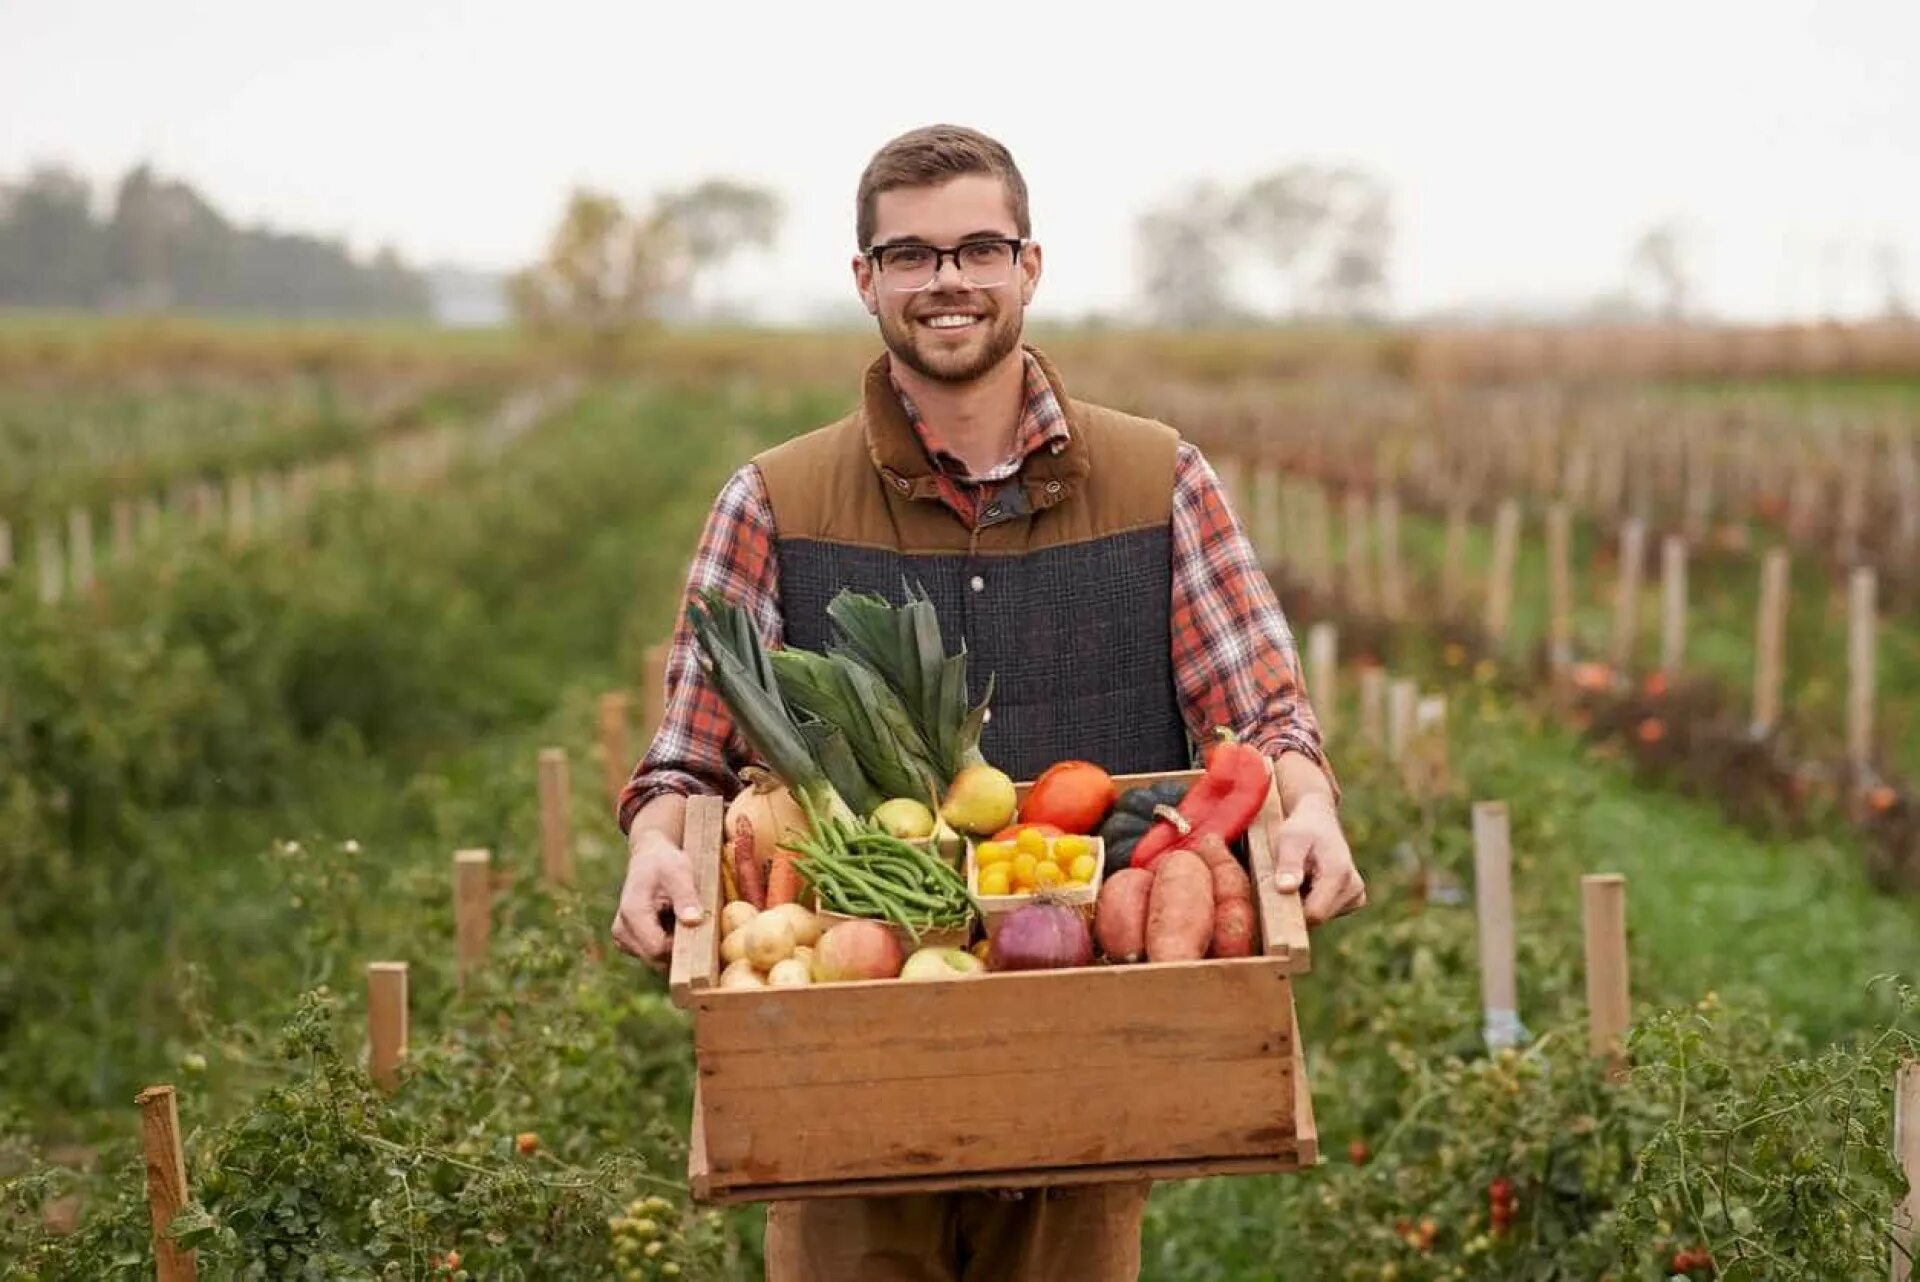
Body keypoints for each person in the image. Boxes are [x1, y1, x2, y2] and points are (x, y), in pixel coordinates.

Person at [610, 123, 1365, 1282]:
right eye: (910, 256)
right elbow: (688, 762)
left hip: (1092, 1058)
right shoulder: (772, 501)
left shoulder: (1159, 479)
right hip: (845, 1076)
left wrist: (1306, 804)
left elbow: (1262, 717)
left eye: (978, 248)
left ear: (1030, 265)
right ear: (865, 279)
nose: (947, 280)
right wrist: (659, 847)